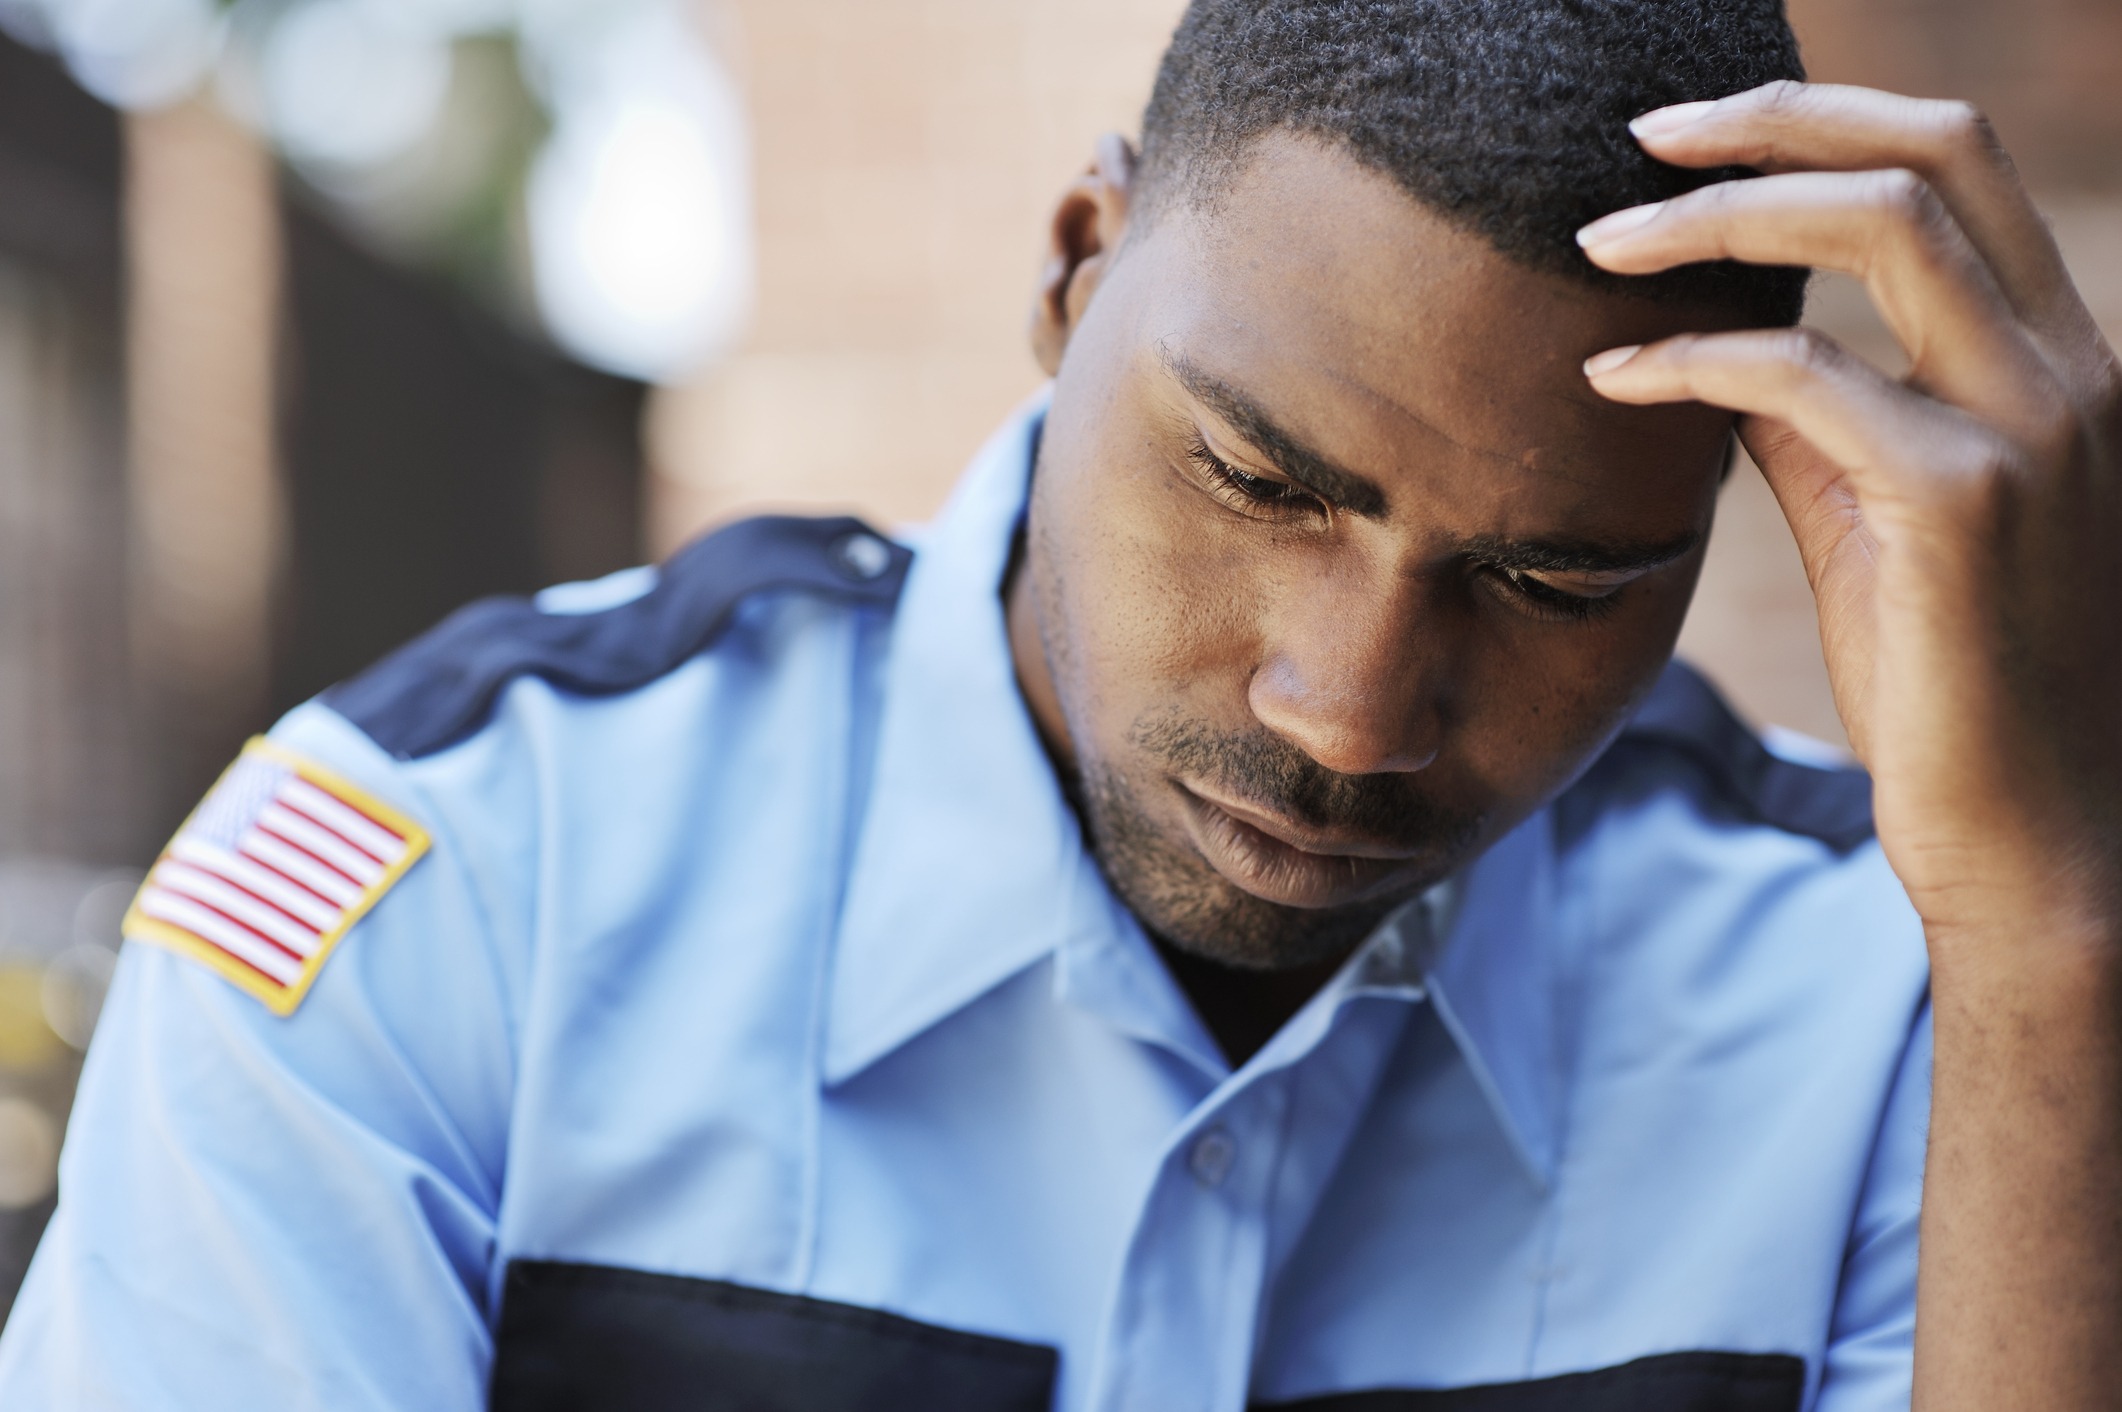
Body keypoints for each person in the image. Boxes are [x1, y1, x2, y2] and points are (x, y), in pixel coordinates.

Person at [3, 0, 2117, 1406]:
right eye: (1257, 480)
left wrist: (2041, 927)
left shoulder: (1904, 1015)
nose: (1347, 711)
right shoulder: (445, 894)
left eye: (1555, 581)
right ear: (1074, 266)